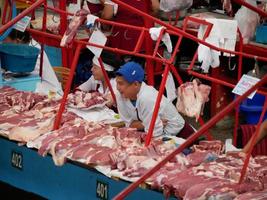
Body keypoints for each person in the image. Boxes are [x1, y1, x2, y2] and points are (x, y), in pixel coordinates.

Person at [115, 61, 194, 138]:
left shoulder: (147, 97)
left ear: (135, 84)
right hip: (158, 134)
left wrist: (145, 125)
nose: (117, 88)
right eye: (117, 83)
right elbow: (129, 124)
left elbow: (154, 134)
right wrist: (146, 124)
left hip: (181, 134)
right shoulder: (121, 95)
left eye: (121, 83)